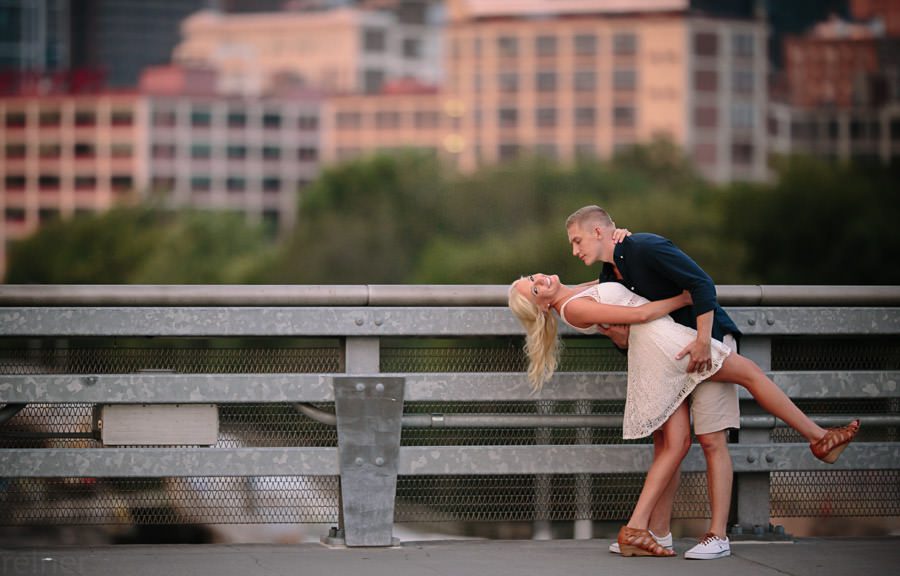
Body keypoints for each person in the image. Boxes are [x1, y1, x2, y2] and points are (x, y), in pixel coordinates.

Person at [509, 273, 859, 558]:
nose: (539, 279)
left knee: (674, 444)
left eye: (530, 277)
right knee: (750, 373)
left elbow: (611, 287)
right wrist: (684, 298)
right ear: (542, 305)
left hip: (656, 350)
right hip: (665, 343)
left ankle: (646, 529)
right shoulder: (573, 309)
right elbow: (641, 315)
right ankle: (817, 437)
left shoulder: (573, 294)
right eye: (534, 288)